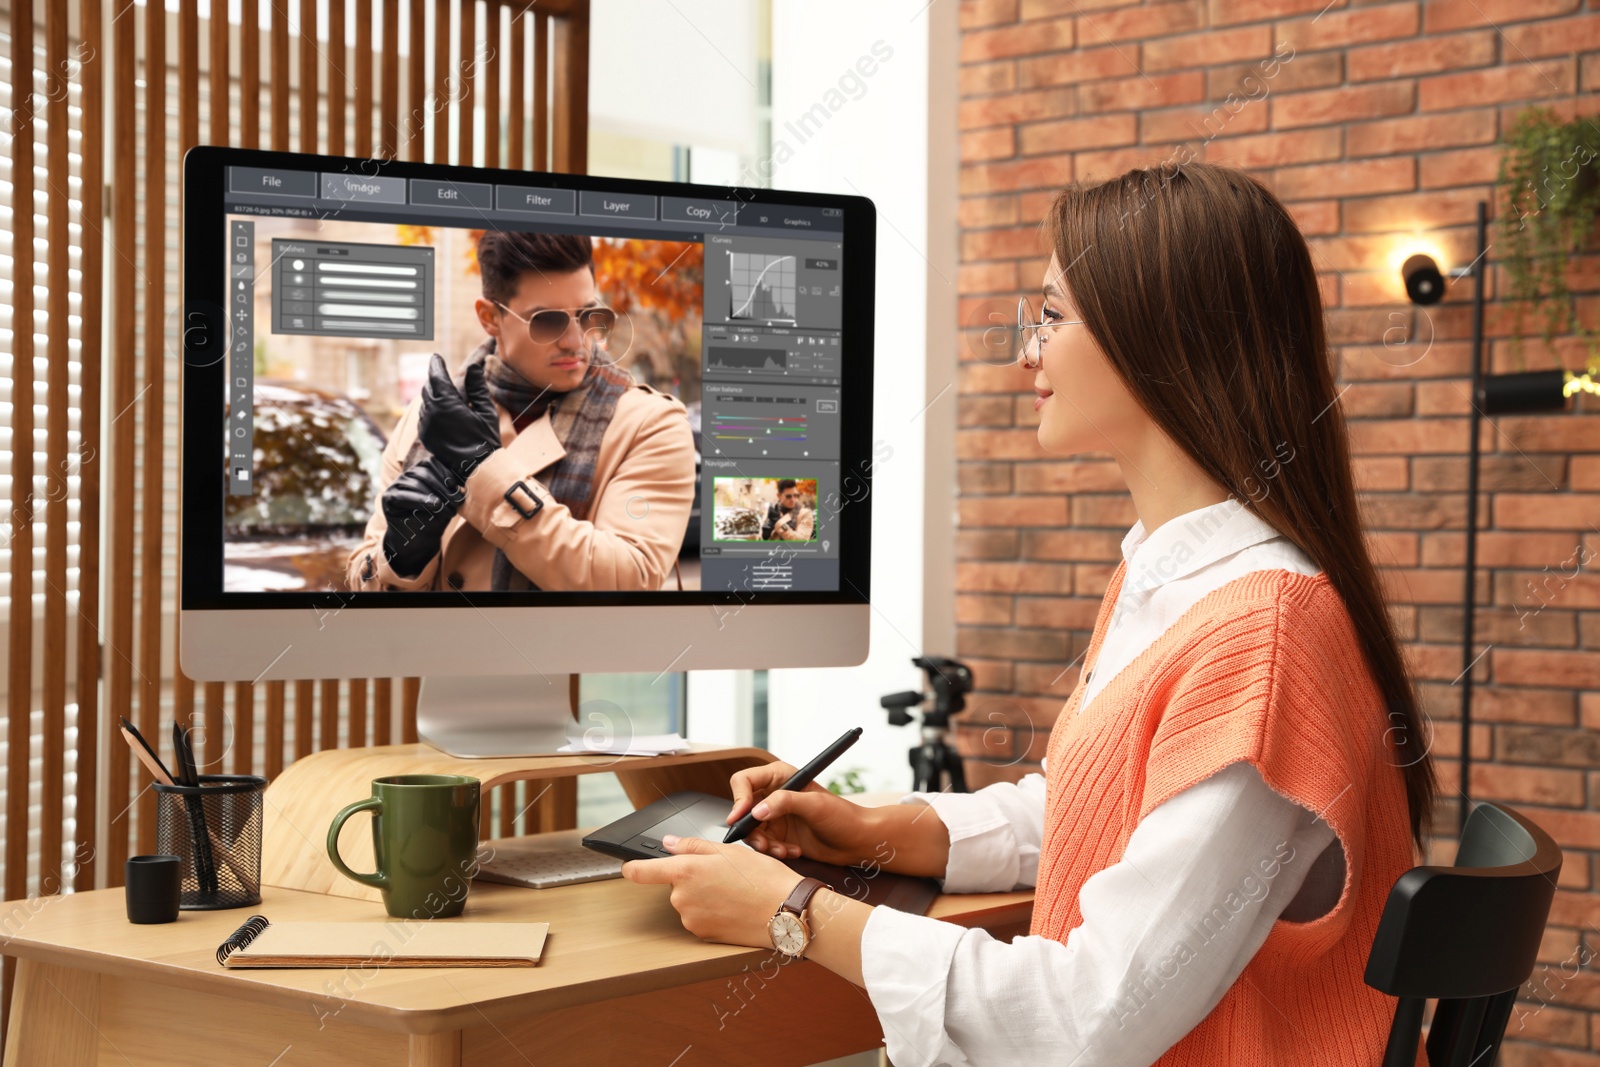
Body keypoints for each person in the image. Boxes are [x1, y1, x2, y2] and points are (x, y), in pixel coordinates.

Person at [619, 161, 1436, 1065]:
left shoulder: (1261, 634)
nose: (1026, 353)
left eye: (1049, 316)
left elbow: (1089, 1019)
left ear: (1158, 338)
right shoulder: (1171, 577)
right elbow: (1104, 818)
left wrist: (793, 912)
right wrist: (874, 827)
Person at [347, 230, 697, 592]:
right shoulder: (431, 414)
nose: (576, 341)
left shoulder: (650, 424)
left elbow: (629, 581)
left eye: (588, 314)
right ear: (490, 317)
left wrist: (483, 470)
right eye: (548, 320)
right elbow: (363, 579)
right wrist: (403, 560)